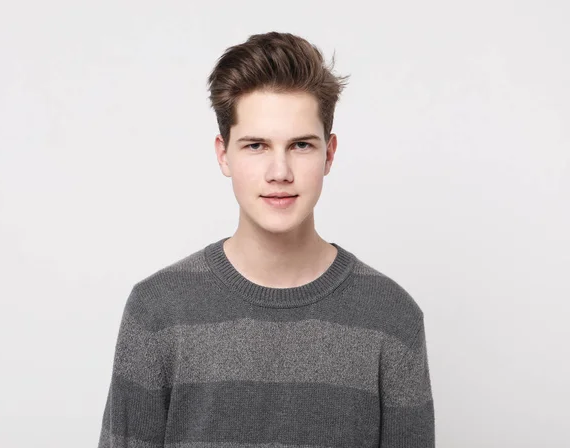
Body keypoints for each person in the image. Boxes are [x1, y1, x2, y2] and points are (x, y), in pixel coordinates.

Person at [97, 31, 435, 448]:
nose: (280, 172)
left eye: (300, 145)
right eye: (256, 145)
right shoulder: (158, 310)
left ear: (329, 154)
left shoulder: (391, 317)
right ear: (224, 154)